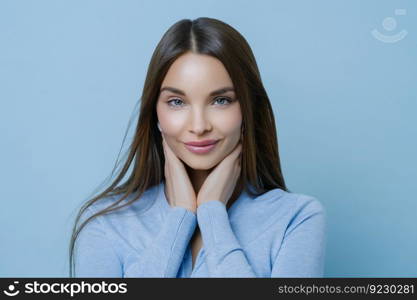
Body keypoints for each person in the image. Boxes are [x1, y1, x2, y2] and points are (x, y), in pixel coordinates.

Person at [69, 17, 326, 278]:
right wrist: (180, 219)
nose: (199, 125)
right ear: (155, 113)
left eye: (221, 100)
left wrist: (212, 214)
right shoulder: (105, 225)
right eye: (177, 102)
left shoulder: (296, 219)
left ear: (248, 110)